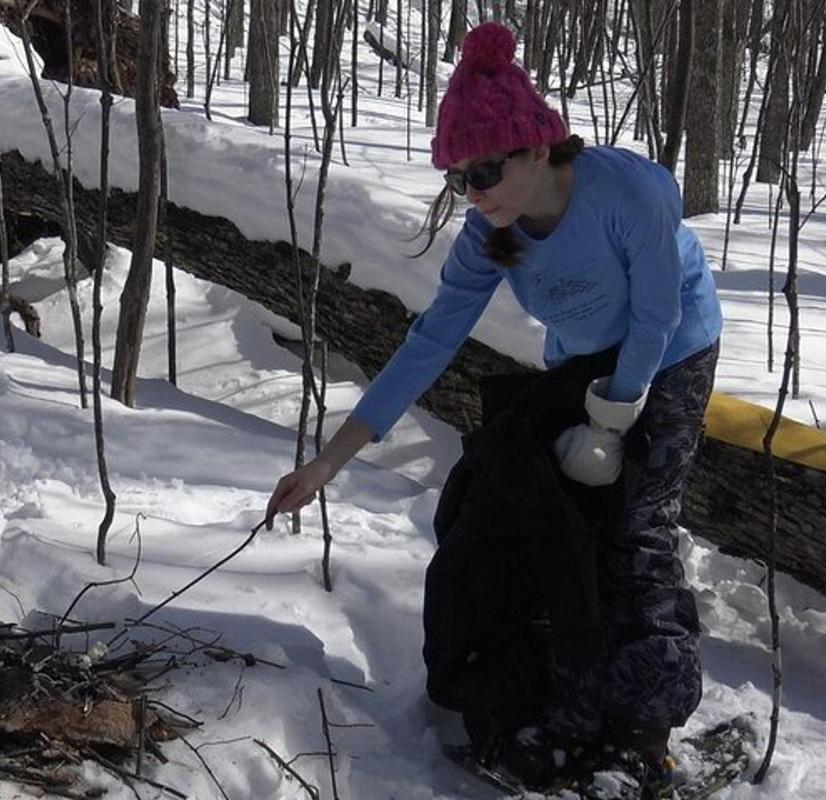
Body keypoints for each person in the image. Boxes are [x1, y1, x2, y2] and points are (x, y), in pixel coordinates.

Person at [265, 21, 723, 793]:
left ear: (538, 148)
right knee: (560, 528)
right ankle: (568, 708)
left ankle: (645, 735)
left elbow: (657, 315)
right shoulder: (488, 236)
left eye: (483, 172)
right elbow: (428, 342)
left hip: (670, 356)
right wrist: (328, 461)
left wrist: (614, 415)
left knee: (639, 528)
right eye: (457, 180)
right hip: (579, 365)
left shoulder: (627, 193)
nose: (473, 194)